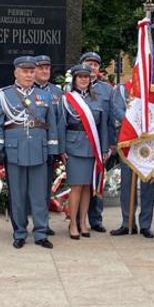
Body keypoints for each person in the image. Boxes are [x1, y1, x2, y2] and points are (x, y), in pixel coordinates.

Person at [0, 56, 59, 249]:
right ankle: (19, 232)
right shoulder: (3, 95)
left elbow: (51, 125)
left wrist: (52, 148)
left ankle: (40, 232)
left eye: (32, 71)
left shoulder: (44, 95)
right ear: (16, 72)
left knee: (39, 195)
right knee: (18, 195)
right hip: (14, 150)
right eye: (25, 71)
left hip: (39, 149)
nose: (29, 75)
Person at [59, 64, 109, 239]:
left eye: (86, 77)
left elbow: (102, 126)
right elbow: (61, 125)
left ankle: (83, 222)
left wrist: (103, 149)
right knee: (76, 186)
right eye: (80, 77)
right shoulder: (66, 99)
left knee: (88, 186)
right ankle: (72, 222)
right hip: (74, 147)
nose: (83, 80)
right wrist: (62, 149)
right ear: (74, 80)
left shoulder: (97, 100)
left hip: (92, 148)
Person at [112, 78, 154, 238]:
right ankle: (127, 222)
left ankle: (145, 225)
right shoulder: (122, 89)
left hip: (148, 143)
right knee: (127, 184)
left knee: (147, 185)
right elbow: (116, 109)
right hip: (128, 141)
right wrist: (134, 126)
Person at [79, 51, 113, 233]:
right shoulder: (71, 89)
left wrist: (109, 145)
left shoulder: (107, 90)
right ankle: (77, 217)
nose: (92, 67)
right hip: (78, 142)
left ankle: (95, 219)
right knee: (80, 182)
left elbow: (109, 120)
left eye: (95, 64)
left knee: (97, 180)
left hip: (100, 142)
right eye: (88, 63)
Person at [33, 55, 63, 236]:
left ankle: (43, 223)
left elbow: (60, 122)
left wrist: (58, 148)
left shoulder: (57, 92)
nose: (45, 71)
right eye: (40, 68)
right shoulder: (28, 91)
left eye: (47, 68)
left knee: (45, 187)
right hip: (33, 144)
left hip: (50, 147)